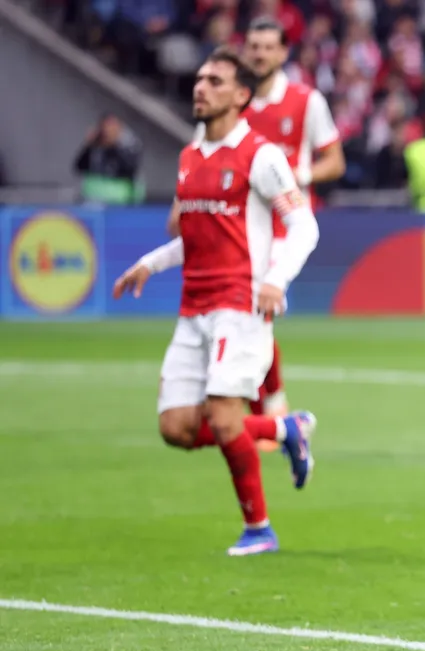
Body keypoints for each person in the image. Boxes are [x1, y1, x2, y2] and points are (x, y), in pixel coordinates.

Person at [111, 47, 320, 557]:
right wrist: (151, 263)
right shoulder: (190, 156)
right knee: (176, 427)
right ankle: (284, 428)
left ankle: (259, 529)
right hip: (193, 307)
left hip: (240, 304)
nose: (201, 87)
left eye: (215, 81)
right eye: (200, 78)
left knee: (224, 417)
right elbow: (198, 235)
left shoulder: (261, 156)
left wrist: (276, 279)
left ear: (241, 95)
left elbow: (303, 226)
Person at [168, 17, 346, 445]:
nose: (260, 54)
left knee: (253, 310)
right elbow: (200, 161)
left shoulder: (306, 101)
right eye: (254, 46)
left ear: (284, 53)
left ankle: (271, 408)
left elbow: (335, 162)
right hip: (233, 224)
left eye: (268, 47)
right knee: (251, 316)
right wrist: (180, 208)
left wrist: (294, 174)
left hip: (280, 227)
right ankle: (269, 415)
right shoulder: (224, 99)